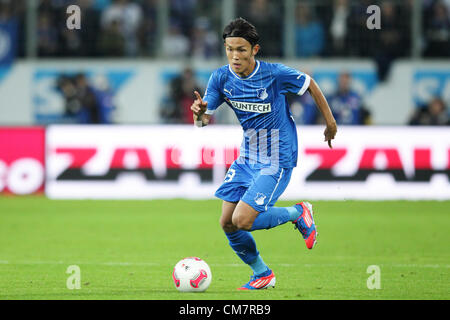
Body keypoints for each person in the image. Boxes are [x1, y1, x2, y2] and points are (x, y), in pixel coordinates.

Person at [190, 18, 337, 290]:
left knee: (242, 220)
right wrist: (198, 115)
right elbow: (203, 122)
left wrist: (330, 122)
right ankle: (262, 273)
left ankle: (298, 212)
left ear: (254, 50)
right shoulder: (221, 77)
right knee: (227, 223)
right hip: (247, 157)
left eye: (242, 50)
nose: (235, 56)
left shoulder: (275, 74)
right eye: (230, 49)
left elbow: (310, 84)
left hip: (277, 157)